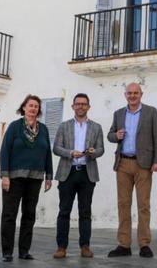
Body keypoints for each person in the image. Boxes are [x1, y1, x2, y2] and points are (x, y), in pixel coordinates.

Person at [106, 82, 157, 258]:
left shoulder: (151, 112)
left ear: (141, 94)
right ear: (125, 95)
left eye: (135, 93)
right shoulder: (118, 114)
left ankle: (144, 244)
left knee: (143, 205)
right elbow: (110, 135)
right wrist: (116, 136)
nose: (132, 96)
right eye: (129, 93)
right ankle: (124, 244)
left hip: (144, 165)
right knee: (123, 204)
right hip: (123, 163)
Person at [0, 94, 53, 262]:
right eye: (30, 105)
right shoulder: (14, 127)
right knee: (9, 214)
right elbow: (4, 151)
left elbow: (47, 153)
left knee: (29, 215)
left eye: (36, 106)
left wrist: (49, 176)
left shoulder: (43, 129)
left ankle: (24, 251)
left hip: (35, 178)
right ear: (24, 108)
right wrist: (5, 175)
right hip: (14, 178)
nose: (33, 108)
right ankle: (7, 252)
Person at [52, 93, 104, 259]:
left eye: (84, 104)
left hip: (87, 173)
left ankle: (85, 246)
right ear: (73, 106)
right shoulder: (64, 126)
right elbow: (56, 148)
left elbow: (101, 149)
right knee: (64, 211)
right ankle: (61, 247)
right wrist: (69, 153)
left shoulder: (96, 127)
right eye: (78, 104)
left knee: (85, 212)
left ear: (88, 106)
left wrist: (93, 152)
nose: (81, 106)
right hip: (68, 172)